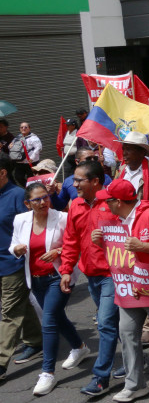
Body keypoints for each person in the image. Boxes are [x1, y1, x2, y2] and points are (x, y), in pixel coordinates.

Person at [92, 179, 149, 402]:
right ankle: (135, 385)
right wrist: (101, 241)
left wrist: (144, 247)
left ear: (118, 201)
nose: (105, 204)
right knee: (128, 333)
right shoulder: (113, 220)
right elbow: (114, 253)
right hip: (126, 287)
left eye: (108, 200)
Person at [10, 183, 89, 395]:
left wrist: (59, 251)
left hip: (58, 276)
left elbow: (78, 244)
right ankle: (80, 347)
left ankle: (47, 373)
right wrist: (16, 249)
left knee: (49, 321)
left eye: (45, 197)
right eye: (37, 199)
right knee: (57, 318)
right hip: (35, 280)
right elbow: (14, 244)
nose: (43, 202)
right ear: (28, 203)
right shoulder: (21, 220)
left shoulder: (62, 218)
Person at [59, 160, 119, 396]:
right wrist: (66, 270)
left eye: (78, 180)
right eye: (74, 180)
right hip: (90, 275)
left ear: (95, 181)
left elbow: (128, 233)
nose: (74, 184)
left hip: (113, 274)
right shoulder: (75, 205)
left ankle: (101, 377)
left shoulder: (113, 202)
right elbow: (71, 241)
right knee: (114, 324)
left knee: (104, 323)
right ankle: (137, 359)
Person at [0, 155, 43, 382]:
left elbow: (33, 225)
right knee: (19, 304)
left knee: (9, 313)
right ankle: (35, 341)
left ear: (3, 172)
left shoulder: (18, 196)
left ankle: (0, 362)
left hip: (13, 264)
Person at [49, 147, 113, 211]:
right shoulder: (68, 182)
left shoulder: (106, 178)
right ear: (77, 161)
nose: (93, 161)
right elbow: (60, 206)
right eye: (88, 159)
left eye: (95, 158)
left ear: (96, 181)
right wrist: (53, 194)